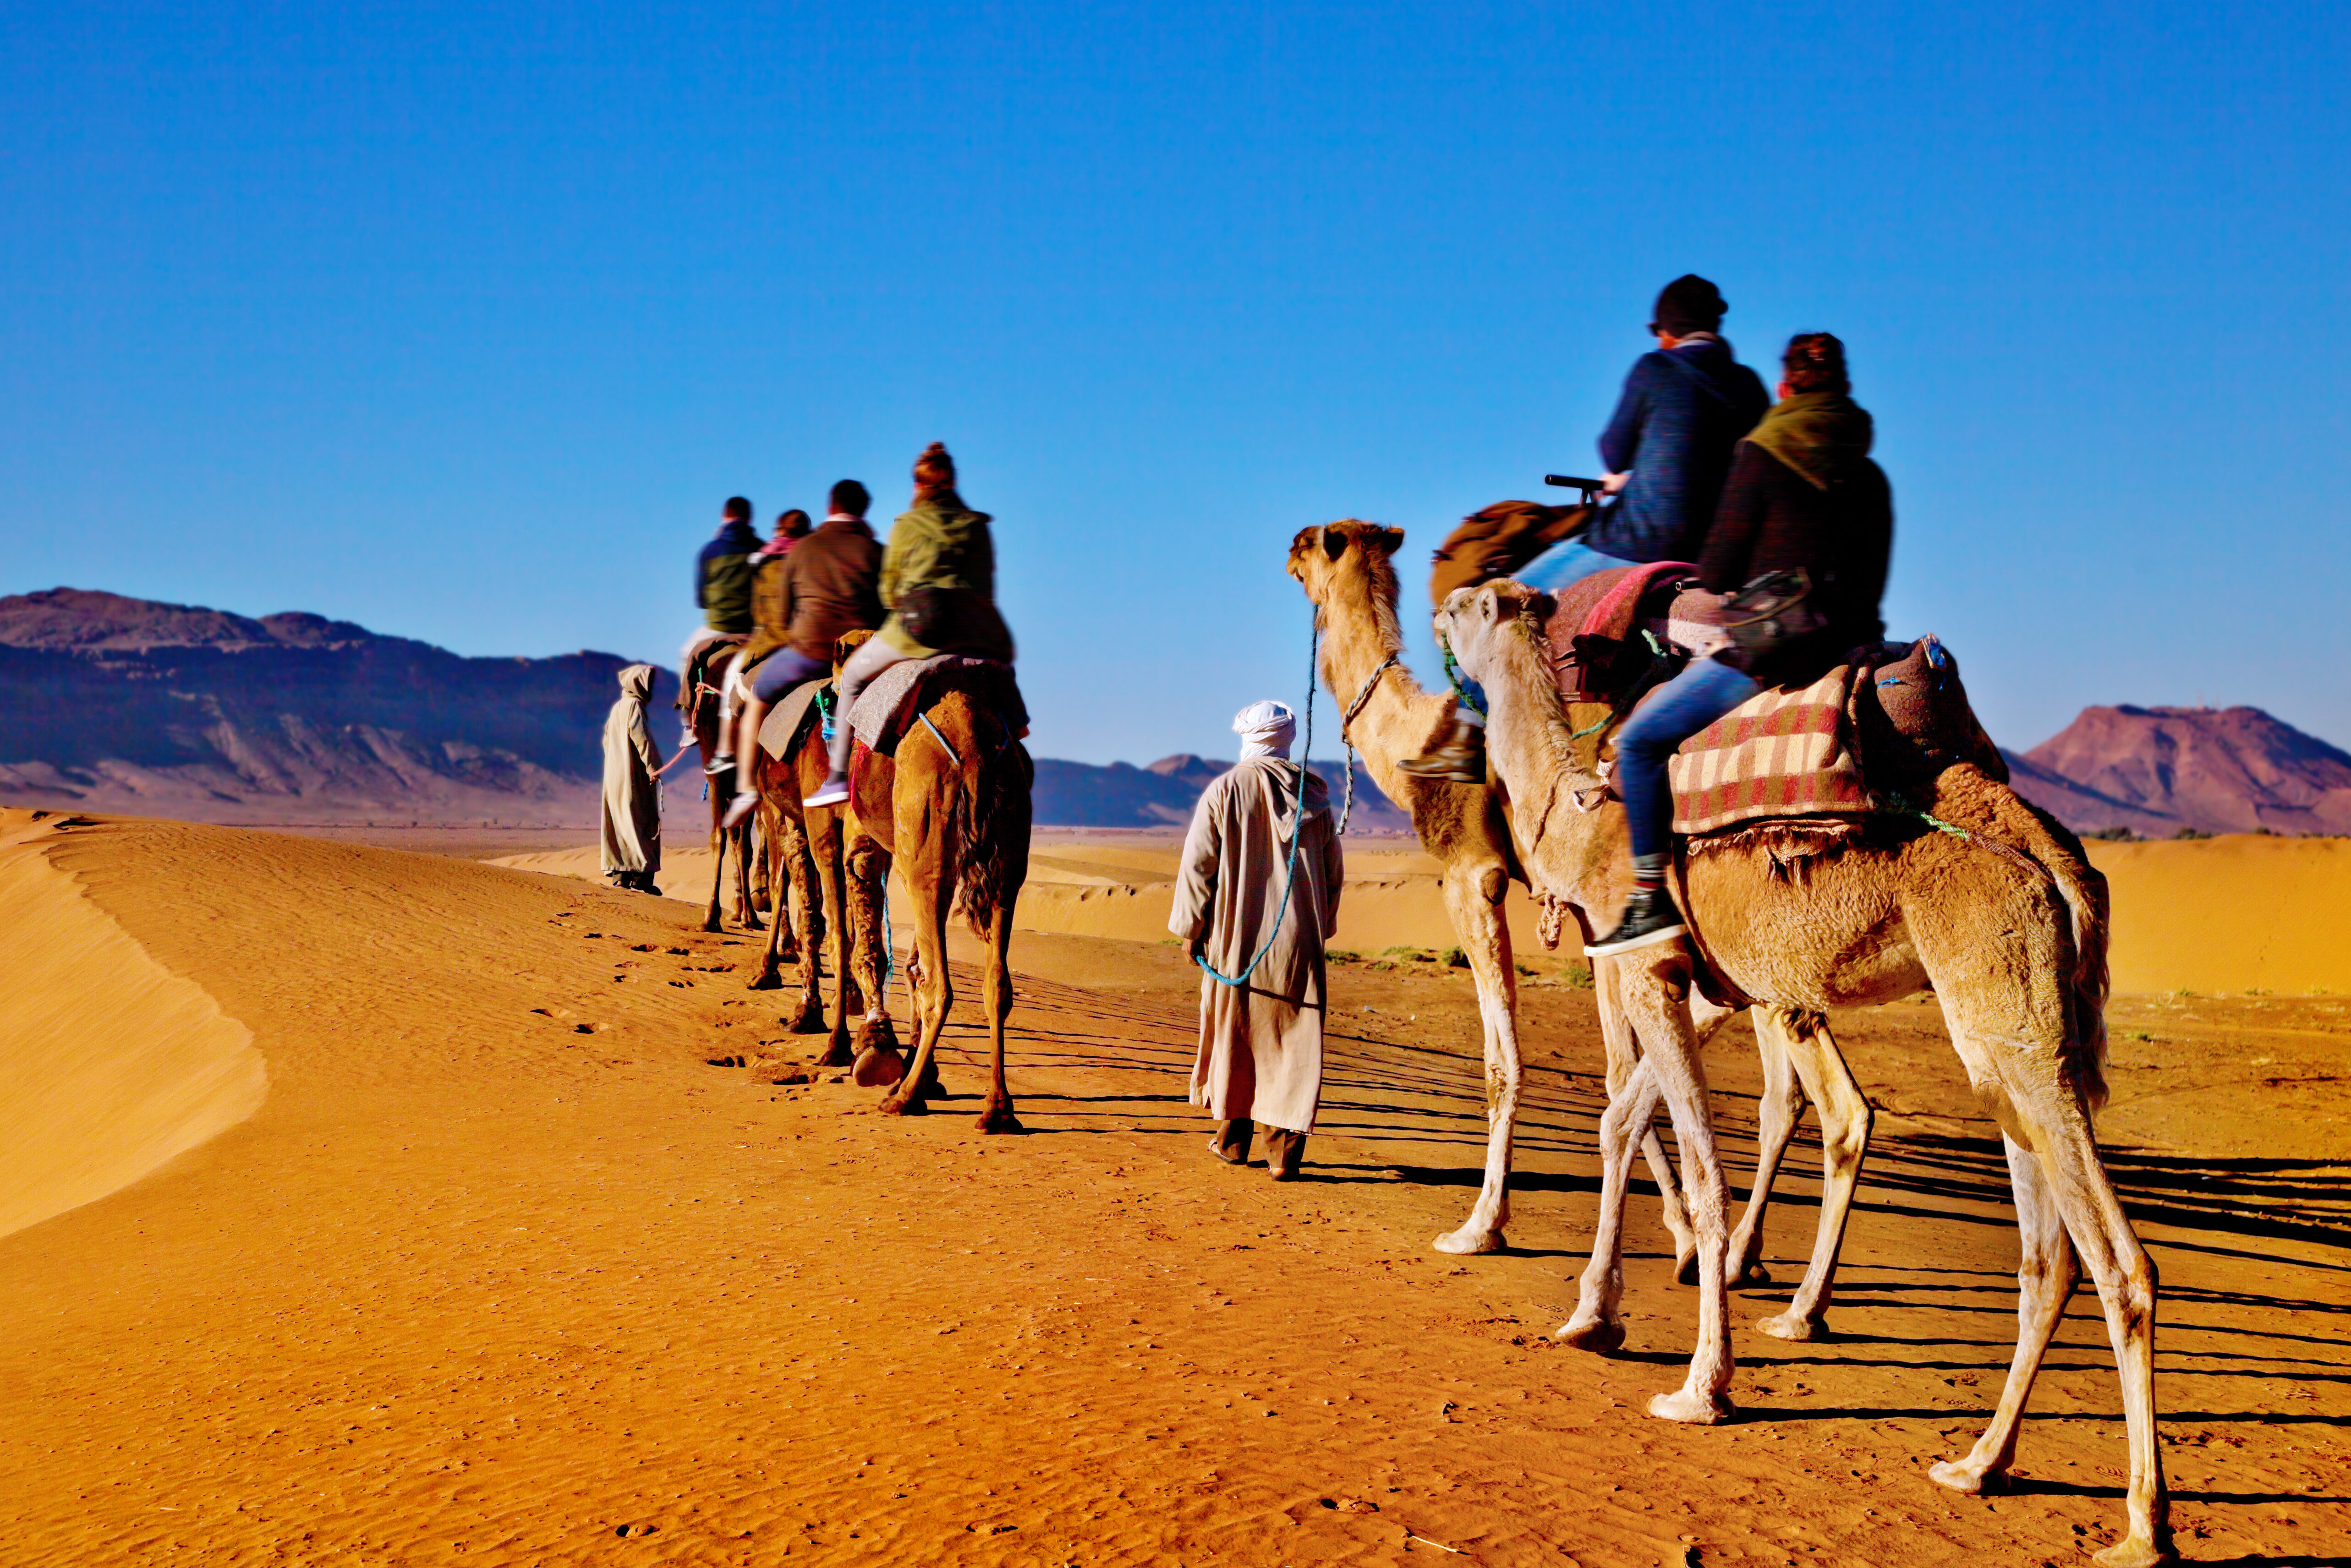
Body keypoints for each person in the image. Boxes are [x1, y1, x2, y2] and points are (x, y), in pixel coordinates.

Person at [1590, 331, 1893, 956]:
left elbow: (1720, 569)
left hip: (1775, 651)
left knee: (1640, 742)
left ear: (1784, 389)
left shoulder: (1760, 453)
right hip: (1856, 644)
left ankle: (1648, 902)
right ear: (1843, 389)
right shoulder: (1869, 474)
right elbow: (1870, 582)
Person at [1403, 276, 1770, 781]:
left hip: (1636, 541)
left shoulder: (1654, 368)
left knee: (1498, 602)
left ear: (1665, 331)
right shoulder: (1749, 385)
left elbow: (1613, 452)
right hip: (1716, 553)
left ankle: (1465, 741)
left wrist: (1632, 473)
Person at [1169, 701, 1346, 1180]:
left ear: (1249, 737)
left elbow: (1197, 866)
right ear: (1285, 738)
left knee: (1237, 1033)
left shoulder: (1225, 789)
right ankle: (1281, 1155)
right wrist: (1320, 926)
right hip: (1297, 944)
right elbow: (1332, 872)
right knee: (1292, 1042)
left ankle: (1232, 1144)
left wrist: (1191, 929)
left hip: (1236, 940)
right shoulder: (1315, 795)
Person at [802, 444, 1014, 808]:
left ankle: (837, 777)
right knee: (1004, 695)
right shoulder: (977, 526)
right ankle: (1016, 753)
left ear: (918, 485)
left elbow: (889, 591)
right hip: (977, 636)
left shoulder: (907, 525)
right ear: (953, 482)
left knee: (851, 676)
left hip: (920, 634)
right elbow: (987, 588)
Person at [720, 485, 886, 826]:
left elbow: (782, 616)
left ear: (830, 508)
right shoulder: (877, 551)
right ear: (863, 509)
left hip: (811, 654)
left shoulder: (805, 549)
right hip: (864, 655)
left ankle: (747, 789)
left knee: (757, 698)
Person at [600, 664, 665, 894]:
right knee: (643, 823)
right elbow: (642, 738)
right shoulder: (634, 706)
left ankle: (621, 877)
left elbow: (607, 742)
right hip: (633, 778)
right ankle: (642, 879)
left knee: (620, 823)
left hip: (614, 778)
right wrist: (653, 768)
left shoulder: (617, 708)